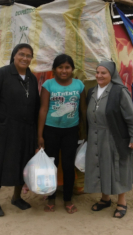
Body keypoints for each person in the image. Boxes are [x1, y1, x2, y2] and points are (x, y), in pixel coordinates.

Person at [0, 43, 40, 217]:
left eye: (29, 56)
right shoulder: (1, 74)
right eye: (21, 54)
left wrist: (36, 133)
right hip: (2, 129)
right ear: (14, 55)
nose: (25, 58)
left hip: (25, 130)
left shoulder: (32, 78)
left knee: (22, 163)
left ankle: (16, 197)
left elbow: (35, 106)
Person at [84, 61, 133, 219]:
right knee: (101, 166)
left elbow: (131, 117)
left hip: (114, 136)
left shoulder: (119, 92)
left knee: (117, 167)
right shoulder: (92, 92)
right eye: (97, 72)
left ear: (111, 75)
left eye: (104, 73)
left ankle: (121, 201)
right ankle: (105, 199)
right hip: (96, 136)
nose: (99, 76)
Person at [37, 54, 85, 214]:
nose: (64, 71)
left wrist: (84, 130)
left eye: (67, 67)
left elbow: (83, 109)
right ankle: (51, 198)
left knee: (68, 166)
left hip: (71, 131)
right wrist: (40, 135)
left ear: (72, 69)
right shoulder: (48, 85)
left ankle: (67, 199)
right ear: (54, 69)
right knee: (51, 165)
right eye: (60, 67)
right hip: (51, 130)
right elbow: (43, 109)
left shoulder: (79, 85)